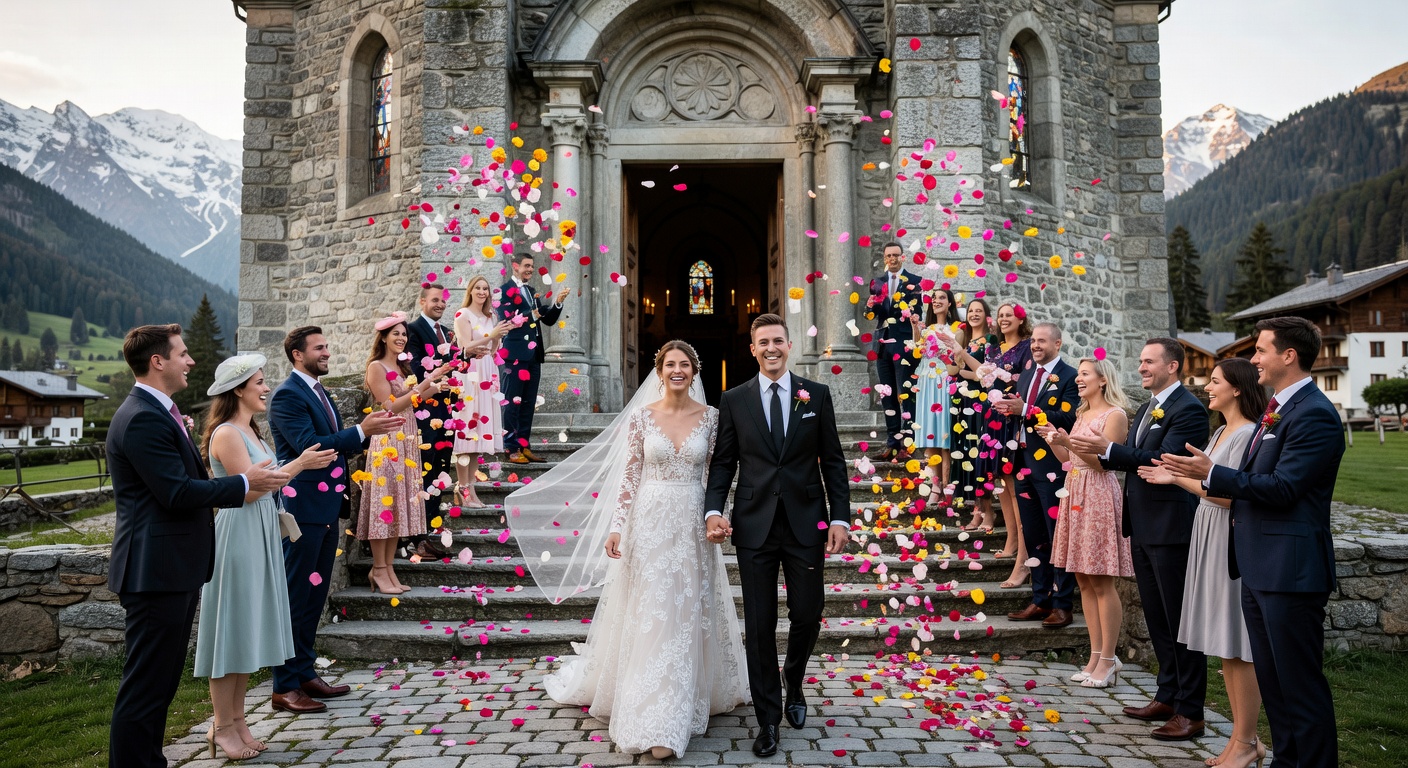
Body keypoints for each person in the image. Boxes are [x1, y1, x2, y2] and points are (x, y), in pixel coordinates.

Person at [527, 342, 749, 760]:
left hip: (692, 525)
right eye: (671, 365)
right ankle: (653, 712)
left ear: (695, 371)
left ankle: (682, 701)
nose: (678, 370)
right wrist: (616, 528)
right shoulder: (642, 417)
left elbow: (717, 476)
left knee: (686, 612)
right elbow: (630, 474)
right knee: (652, 611)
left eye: (685, 365)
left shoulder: (713, 419)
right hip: (648, 523)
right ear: (660, 371)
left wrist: (717, 517)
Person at [1161, 317, 1344, 768]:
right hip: (1259, 564)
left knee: (1299, 684)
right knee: (1276, 682)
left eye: (1261, 350)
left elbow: (1284, 488)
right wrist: (1213, 472)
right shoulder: (1278, 409)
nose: (1254, 359)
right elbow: (1258, 479)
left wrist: (1212, 474)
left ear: (1288, 356)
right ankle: (1286, 760)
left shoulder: (1315, 414)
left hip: (1290, 568)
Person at [107, 324, 289, 768]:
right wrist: (243, 483)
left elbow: (182, 486)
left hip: (172, 565)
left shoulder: (157, 411)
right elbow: (176, 492)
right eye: (182, 354)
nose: (190, 361)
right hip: (154, 567)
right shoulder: (143, 417)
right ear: (158, 361)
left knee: (160, 684)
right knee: (147, 685)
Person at [704, 314, 851, 758]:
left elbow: (834, 462)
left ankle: (795, 678)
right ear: (753, 349)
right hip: (754, 525)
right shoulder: (734, 400)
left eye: (778, 341)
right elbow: (724, 462)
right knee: (760, 624)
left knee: (808, 612)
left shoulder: (816, 395)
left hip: (807, 523)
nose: (771, 348)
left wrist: (840, 518)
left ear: (789, 346)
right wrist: (714, 509)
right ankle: (767, 719)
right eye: (762, 342)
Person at [194, 355, 336, 761]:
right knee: (231, 633)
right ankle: (222, 727)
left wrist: (296, 466)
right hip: (239, 535)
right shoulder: (226, 434)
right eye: (258, 382)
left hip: (259, 532)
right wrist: (301, 463)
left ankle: (237, 721)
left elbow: (266, 485)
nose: (265, 388)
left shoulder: (251, 432)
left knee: (246, 633)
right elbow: (250, 490)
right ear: (238, 389)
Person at [1069, 337, 1210, 741]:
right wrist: (1109, 451)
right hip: (1144, 524)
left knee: (1180, 620)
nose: (1142, 367)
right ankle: (1167, 694)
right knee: (1158, 617)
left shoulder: (1188, 409)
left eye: (1150, 362)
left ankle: (1191, 710)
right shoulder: (1150, 406)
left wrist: (1109, 449)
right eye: (1141, 361)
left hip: (1171, 527)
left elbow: (1165, 459)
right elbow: (1134, 455)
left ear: (1173, 366)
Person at [267, 326, 402, 714]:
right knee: (295, 597)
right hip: (302, 510)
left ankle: (305, 672)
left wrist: (361, 433)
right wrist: (362, 430)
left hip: (326, 510)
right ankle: (284, 686)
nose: (327, 352)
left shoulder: (318, 390)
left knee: (313, 597)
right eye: (319, 348)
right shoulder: (287, 396)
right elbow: (311, 447)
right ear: (297, 354)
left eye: (327, 346)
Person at [1138, 358, 1265, 768]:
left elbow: (1231, 494)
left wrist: (1183, 479)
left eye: (1214, 382)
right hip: (1206, 528)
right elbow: (1208, 486)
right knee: (1222, 644)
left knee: (1234, 639)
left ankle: (1246, 740)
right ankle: (1240, 741)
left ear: (1238, 389)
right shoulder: (1218, 432)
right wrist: (1174, 478)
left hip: (1227, 535)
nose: (1207, 388)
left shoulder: (1246, 434)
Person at [1038, 357, 1133, 689]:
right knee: (1082, 579)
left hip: (1098, 495)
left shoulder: (1115, 416)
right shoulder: (1080, 414)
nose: (1078, 379)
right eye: (1078, 375)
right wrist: (1056, 442)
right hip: (1075, 492)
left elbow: (1106, 464)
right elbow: (1071, 460)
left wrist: (1067, 443)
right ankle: (1095, 656)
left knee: (1101, 581)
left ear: (1102, 379)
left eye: (1084, 374)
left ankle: (1108, 659)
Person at [360, 313, 451, 591]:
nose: (401, 338)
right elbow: (389, 406)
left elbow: (410, 399)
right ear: (384, 338)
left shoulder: (403, 367)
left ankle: (388, 570)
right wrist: (425, 388)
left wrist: (433, 382)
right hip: (388, 441)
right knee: (384, 507)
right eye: (396, 334)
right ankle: (377, 569)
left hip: (407, 439)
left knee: (397, 508)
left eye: (404, 334)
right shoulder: (376, 367)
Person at [997, 321, 1078, 627]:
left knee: (1057, 535)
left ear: (1058, 344)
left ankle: (1062, 604)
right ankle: (1039, 599)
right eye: (1033, 341)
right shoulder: (1027, 374)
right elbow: (1022, 413)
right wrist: (1009, 409)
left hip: (1053, 467)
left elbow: (1068, 417)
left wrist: (1026, 410)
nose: (1036, 346)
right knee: (1033, 535)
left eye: (1042, 341)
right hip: (1022, 463)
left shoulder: (1070, 377)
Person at [952, 301, 1032, 587]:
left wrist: (1007, 379)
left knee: (1013, 486)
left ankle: (1022, 552)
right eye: (1000, 316)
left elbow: (1025, 380)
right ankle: (1011, 539)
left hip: (1012, 417)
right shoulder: (994, 348)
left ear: (1021, 319)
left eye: (1009, 315)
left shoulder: (1027, 346)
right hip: (992, 419)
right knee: (1000, 485)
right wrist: (961, 353)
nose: (1003, 319)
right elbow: (984, 373)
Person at [405, 283, 458, 557]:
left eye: (443, 301)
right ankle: (418, 536)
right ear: (422, 301)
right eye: (435, 300)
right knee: (424, 472)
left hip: (446, 413)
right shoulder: (412, 331)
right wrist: (440, 376)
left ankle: (432, 527)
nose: (440, 304)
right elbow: (413, 369)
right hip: (424, 414)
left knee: (440, 471)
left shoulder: (448, 333)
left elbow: (456, 365)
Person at [499, 252, 566, 464]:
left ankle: (524, 445)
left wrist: (557, 304)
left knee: (528, 403)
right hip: (515, 355)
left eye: (532, 266)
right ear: (515, 265)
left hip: (534, 355)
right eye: (527, 266)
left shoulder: (530, 290)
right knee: (512, 402)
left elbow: (546, 320)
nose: (530, 269)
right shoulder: (503, 291)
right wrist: (532, 315)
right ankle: (510, 448)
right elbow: (506, 320)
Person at [451, 275, 513, 508]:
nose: (482, 292)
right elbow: (465, 346)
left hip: (488, 370)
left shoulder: (490, 316)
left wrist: (498, 337)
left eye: (485, 288)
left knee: (479, 435)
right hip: (471, 373)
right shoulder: (462, 314)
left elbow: (493, 349)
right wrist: (491, 334)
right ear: (470, 290)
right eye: (477, 288)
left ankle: (471, 489)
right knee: (467, 431)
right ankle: (462, 487)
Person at [866, 242, 923, 461]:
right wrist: (870, 306)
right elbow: (870, 316)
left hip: (903, 342)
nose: (892, 258)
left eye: (896, 255)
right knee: (887, 394)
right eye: (889, 255)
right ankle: (891, 442)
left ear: (902, 257)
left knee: (905, 393)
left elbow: (917, 312)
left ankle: (907, 445)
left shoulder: (914, 282)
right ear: (884, 257)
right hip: (882, 343)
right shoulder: (877, 283)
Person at [907, 287, 959, 511]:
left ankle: (947, 486)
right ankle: (935, 485)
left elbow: (958, 357)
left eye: (941, 298)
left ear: (949, 304)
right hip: (926, 381)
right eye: (934, 298)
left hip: (945, 379)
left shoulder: (956, 329)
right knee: (930, 433)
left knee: (944, 432)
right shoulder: (926, 329)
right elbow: (917, 351)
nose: (936, 301)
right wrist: (914, 330)